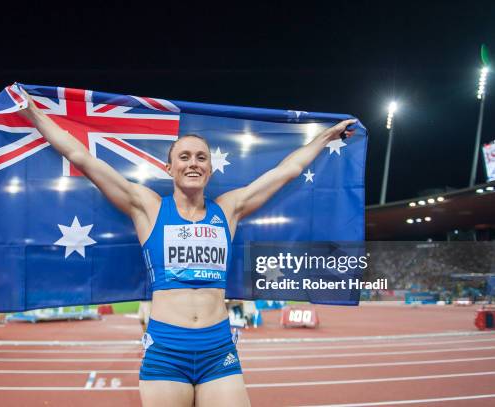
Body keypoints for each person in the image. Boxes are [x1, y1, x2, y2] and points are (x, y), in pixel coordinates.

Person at [18, 88, 355, 406]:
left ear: (209, 169)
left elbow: (288, 170)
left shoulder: (228, 208)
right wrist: (33, 114)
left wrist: (326, 136)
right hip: (166, 350)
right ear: (169, 168)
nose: (193, 163)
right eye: (184, 157)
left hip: (217, 347)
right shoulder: (147, 207)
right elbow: (81, 157)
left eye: (201, 158)